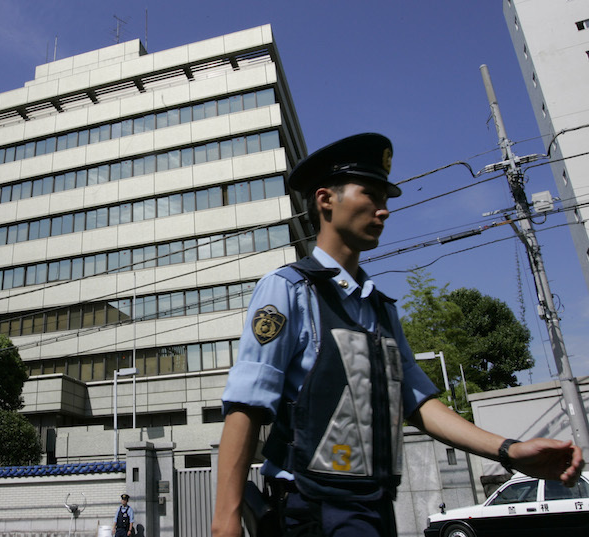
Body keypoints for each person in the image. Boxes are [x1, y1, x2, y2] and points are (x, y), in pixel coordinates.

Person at [210, 133, 585, 537]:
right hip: (312, 508)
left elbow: (418, 402)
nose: (384, 211)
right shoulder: (288, 289)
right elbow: (246, 405)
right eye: (369, 195)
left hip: (376, 507)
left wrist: (510, 450)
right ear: (325, 200)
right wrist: (226, 520)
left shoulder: (382, 309)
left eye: (386, 200)